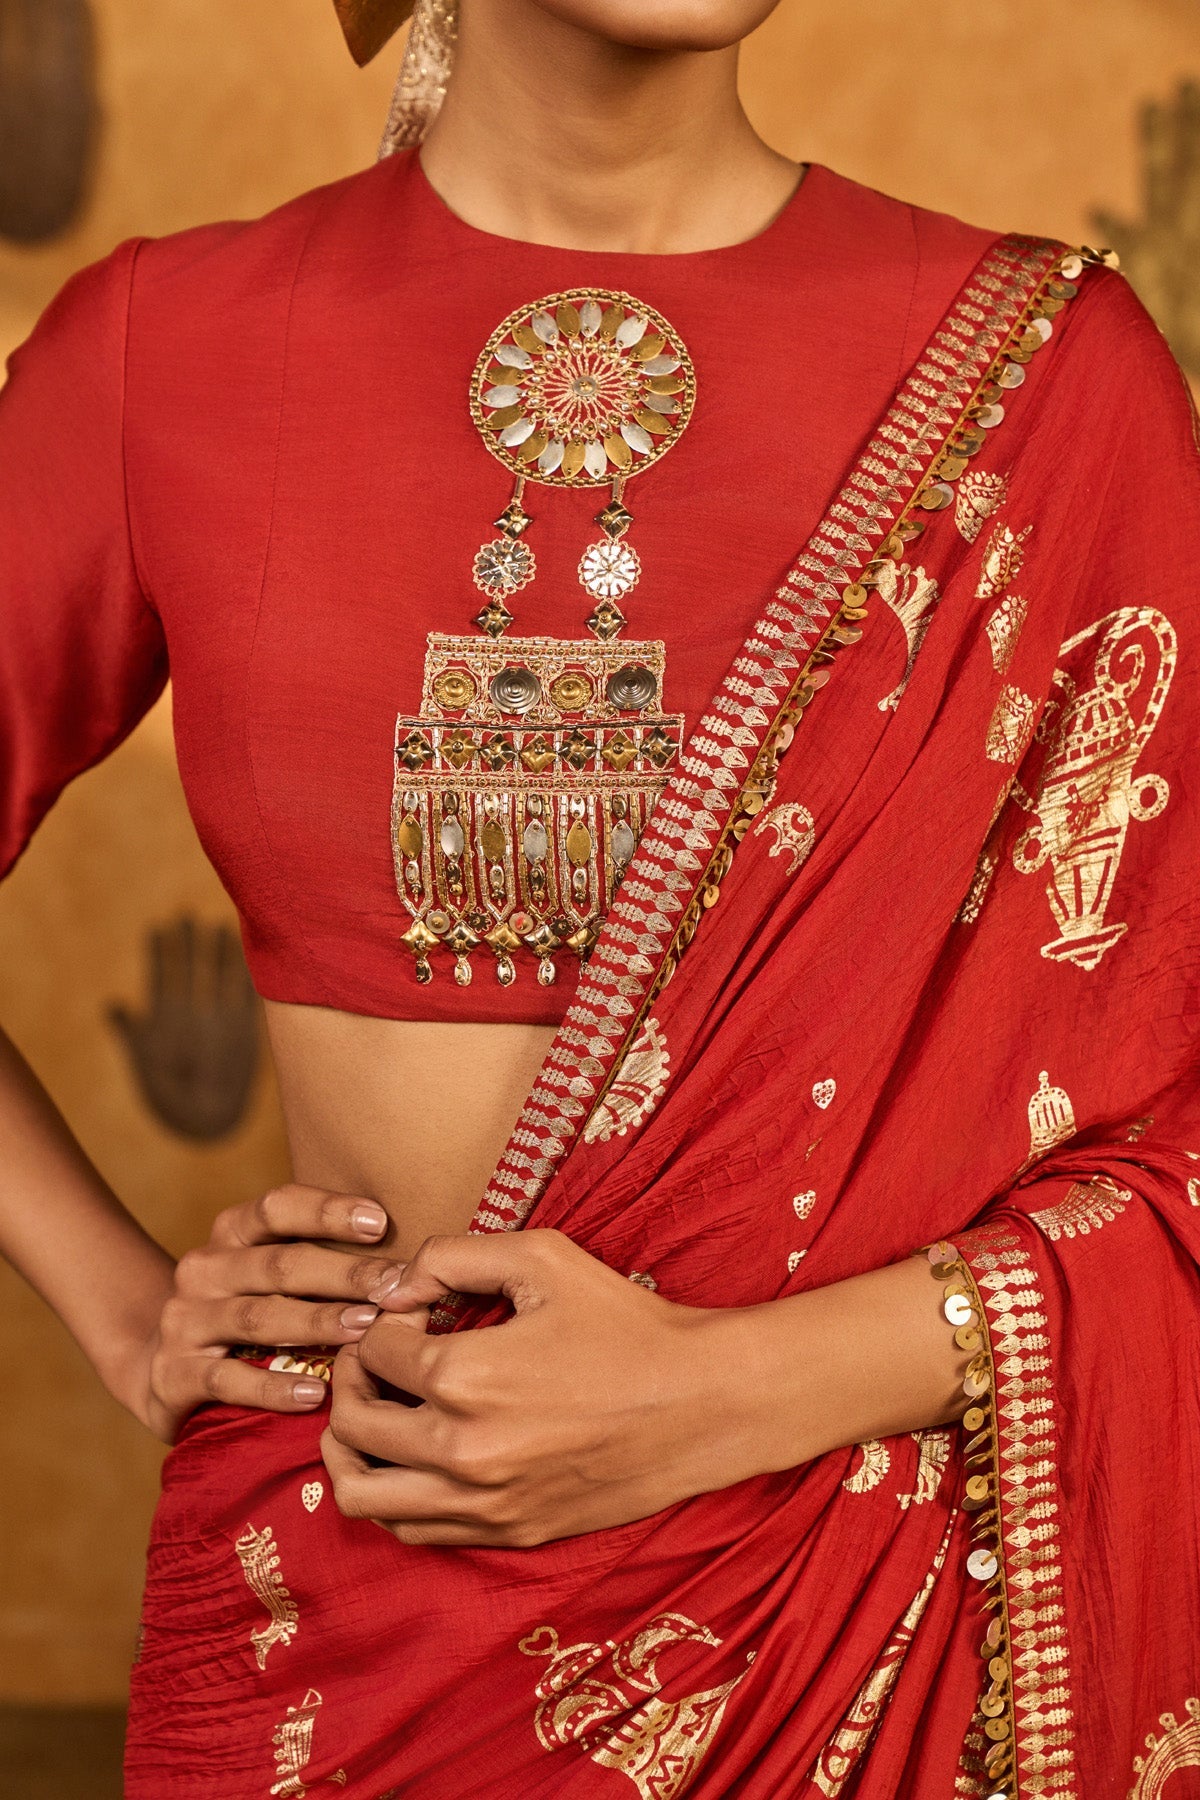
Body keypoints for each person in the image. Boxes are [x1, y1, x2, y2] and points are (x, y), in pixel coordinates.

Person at [2, 0, 1198, 1793]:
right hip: (368, 1615)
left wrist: (724, 1397)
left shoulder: (1051, 378)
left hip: (862, 1624)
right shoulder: (168, 345)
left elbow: (1177, 1107)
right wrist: (122, 1308)